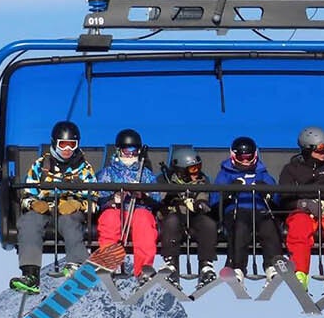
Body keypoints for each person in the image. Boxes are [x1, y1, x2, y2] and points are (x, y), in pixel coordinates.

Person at [12, 120, 96, 294]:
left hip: (69, 210)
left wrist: (77, 204)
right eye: (63, 144)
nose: (67, 149)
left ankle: (77, 264)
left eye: (71, 145)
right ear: (54, 143)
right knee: (29, 222)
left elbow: (94, 200)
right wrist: (34, 203)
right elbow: (27, 195)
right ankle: (31, 274)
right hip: (46, 208)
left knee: (69, 221)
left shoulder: (84, 169)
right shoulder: (41, 166)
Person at [278, 125, 324, 294]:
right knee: (299, 227)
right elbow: (284, 197)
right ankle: (300, 273)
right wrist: (304, 205)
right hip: (303, 212)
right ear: (307, 149)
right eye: (320, 149)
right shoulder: (291, 170)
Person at [96, 128, 163, 278]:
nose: (130, 155)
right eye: (127, 151)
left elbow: (157, 198)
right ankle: (109, 262)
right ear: (119, 150)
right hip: (116, 209)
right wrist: (114, 198)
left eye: (134, 151)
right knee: (109, 220)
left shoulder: (144, 173)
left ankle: (144, 268)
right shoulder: (108, 172)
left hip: (138, 209)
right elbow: (98, 196)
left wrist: (142, 195)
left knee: (144, 222)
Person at [211, 136, 283, 274]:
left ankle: (272, 265)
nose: (245, 161)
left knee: (270, 226)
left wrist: (267, 191)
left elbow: (277, 196)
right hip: (237, 211)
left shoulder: (261, 173)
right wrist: (230, 191)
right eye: (241, 157)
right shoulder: (226, 173)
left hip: (259, 210)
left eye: (248, 157)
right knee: (240, 227)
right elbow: (214, 198)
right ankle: (237, 266)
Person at [158, 146, 220, 284]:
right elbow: (157, 198)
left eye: (198, 167)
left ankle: (206, 264)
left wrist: (200, 203)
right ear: (181, 170)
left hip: (193, 218)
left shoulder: (202, 180)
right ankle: (171, 264)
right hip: (174, 216)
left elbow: (204, 197)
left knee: (208, 224)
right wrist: (169, 196)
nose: (196, 172)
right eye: (192, 169)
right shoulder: (165, 180)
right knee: (171, 222)